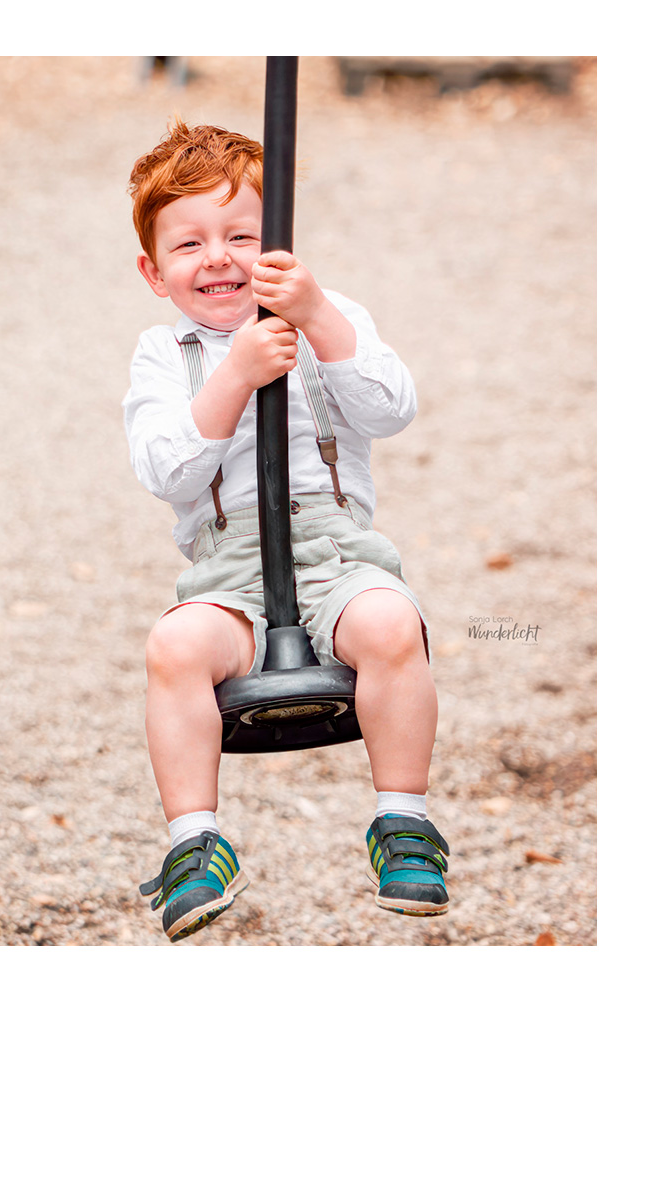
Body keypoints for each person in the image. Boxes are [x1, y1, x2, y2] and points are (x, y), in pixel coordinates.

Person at [124, 120, 450, 942]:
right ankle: (195, 842)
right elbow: (166, 471)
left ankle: (404, 822)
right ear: (154, 272)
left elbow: (391, 408)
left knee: (391, 623)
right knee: (173, 647)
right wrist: (234, 375)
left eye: (241, 236)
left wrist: (317, 317)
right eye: (189, 244)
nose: (219, 258)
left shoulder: (326, 316)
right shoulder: (165, 355)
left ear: (281, 243)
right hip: (229, 573)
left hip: (336, 554)